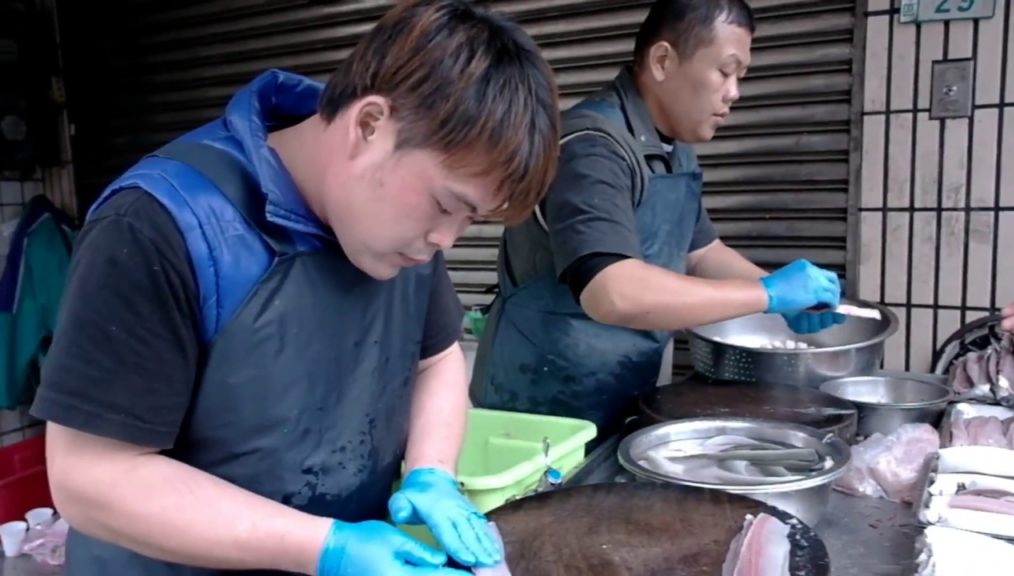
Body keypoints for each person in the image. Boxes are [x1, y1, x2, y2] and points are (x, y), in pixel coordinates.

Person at [29, 1, 560, 575]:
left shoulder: (401, 235)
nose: (447, 240)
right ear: (370, 125)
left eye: (470, 220)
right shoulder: (160, 225)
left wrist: (431, 470)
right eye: (446, 205)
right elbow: (90, 477)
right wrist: (326, 548)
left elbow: (436, 361)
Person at [470, 0, 844, 440]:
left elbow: (701, 252)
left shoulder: (673, 150)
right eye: (725, 71)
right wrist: (766, 295)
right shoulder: (591, 148)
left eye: (741, 76)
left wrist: (784, 300)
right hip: (538, 411)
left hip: (619, 394)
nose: (734, 92)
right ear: (663, 61)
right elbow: (612, 292)